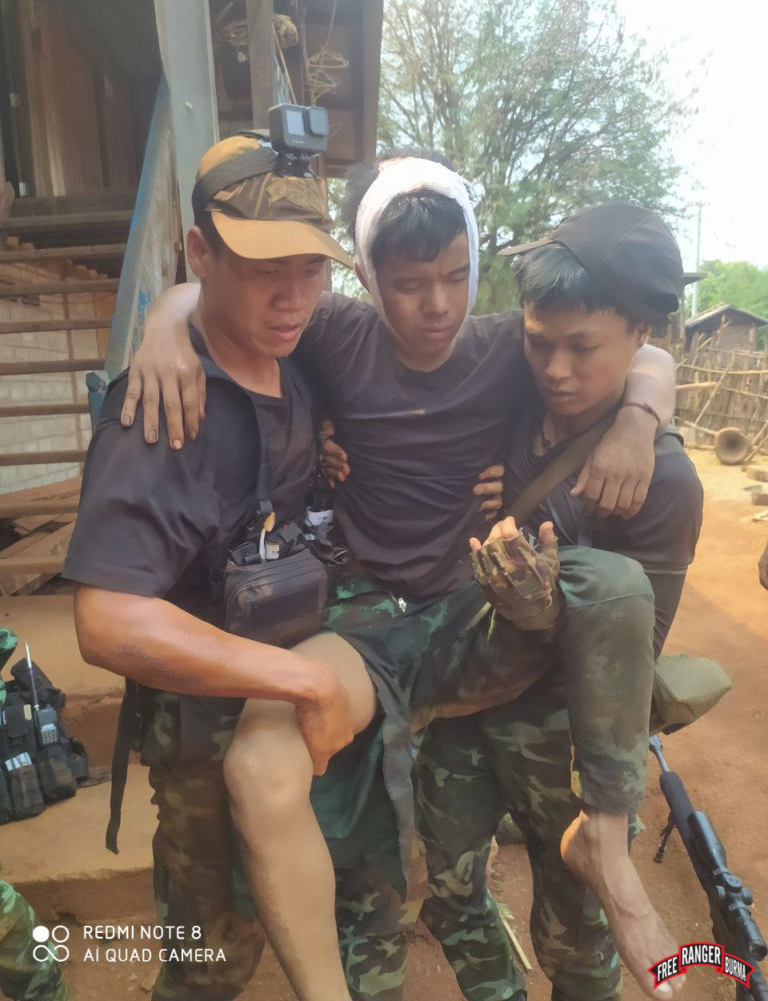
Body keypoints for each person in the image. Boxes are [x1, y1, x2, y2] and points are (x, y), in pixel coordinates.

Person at [124, 159, 678, 1000]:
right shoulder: (336, 334)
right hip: (368, 617)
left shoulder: (508, 347)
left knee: (612, 584)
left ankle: (602, 828)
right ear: (370, 279)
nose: (439, 306)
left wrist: (639, 417)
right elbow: (222, 302)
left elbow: (640, 349)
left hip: (470, 611)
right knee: (286, 780)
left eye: (457, 277)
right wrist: (165, 321)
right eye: (411, 283)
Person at [63, 133, 369, 1001]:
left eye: (313, 268)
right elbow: (108, 620)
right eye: (264, 267)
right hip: (206, 736)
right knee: (210, 962)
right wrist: (303, 683)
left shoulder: (287, 353)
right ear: (200, 253)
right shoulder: (162, 410)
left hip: (279, 701)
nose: (295, 295)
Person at [415, 205, 703, 1001]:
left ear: (639, 331)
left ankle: (600, 857)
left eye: (583, 348)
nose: (557, 369)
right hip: (468, 709)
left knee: (576, 944)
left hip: (564, 740)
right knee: (448, 890)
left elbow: (634, 656)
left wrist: (544, 615)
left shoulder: (662, 480)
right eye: (540, 342)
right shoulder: (512, 390)